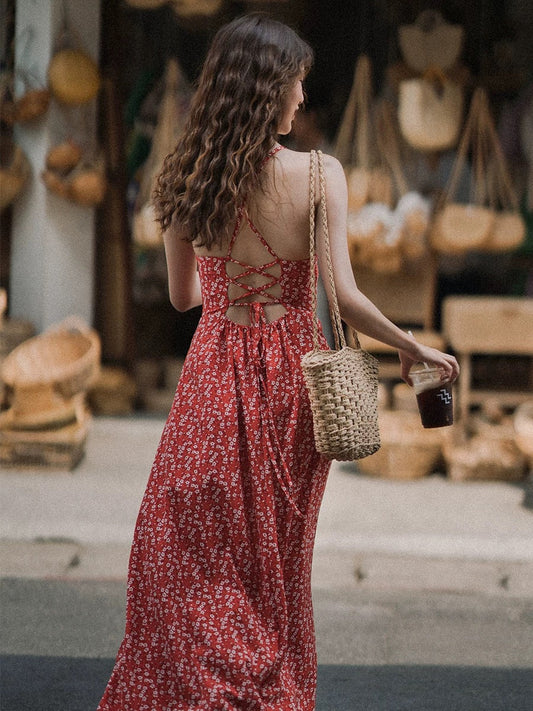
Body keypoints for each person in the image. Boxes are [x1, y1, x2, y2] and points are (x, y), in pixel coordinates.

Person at [97, 14, 459, 711]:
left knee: (187, 548)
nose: (301, 97)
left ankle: (205, 689)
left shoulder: (186, 173)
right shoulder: (321, 175)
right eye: (295, 83)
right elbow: (344, 296)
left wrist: (227, 273)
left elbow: (182, 298)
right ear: (269, 91)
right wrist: (411, 346)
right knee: (275, 559)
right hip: (293, 382)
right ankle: (266, 690)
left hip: (213, 376)